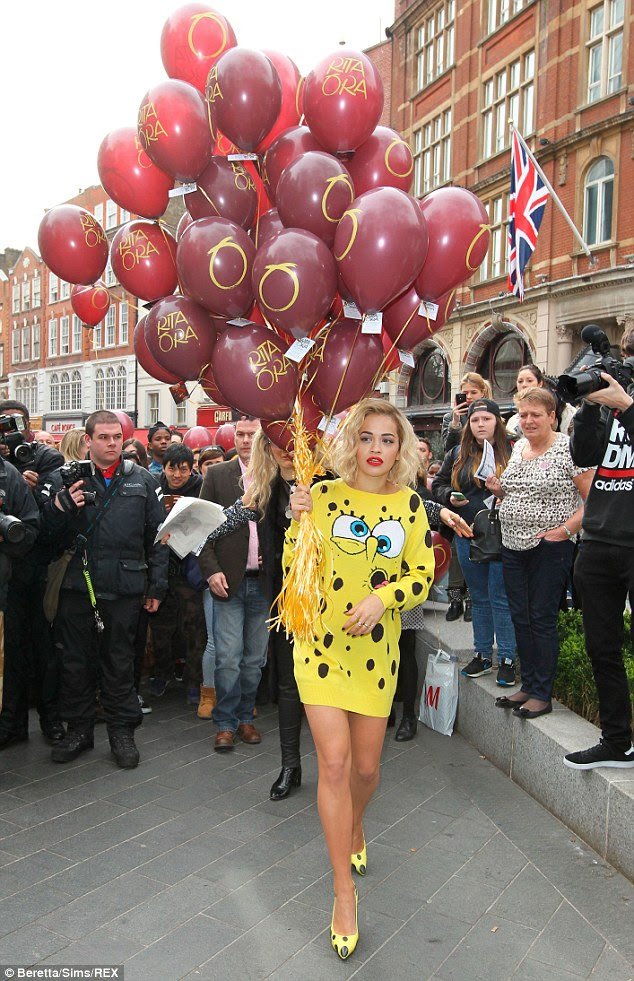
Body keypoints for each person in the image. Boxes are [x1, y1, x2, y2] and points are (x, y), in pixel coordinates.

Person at [288, 399, 434, 960]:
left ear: (401, 449)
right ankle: (343, 891)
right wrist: (296, 524)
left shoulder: (410, 505)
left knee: (366, 769)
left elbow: (422, 574)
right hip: (320, 647)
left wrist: (384, 597)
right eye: (366, 437)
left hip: (376, 652)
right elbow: (292, 570)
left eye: (387, 439)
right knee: (334, 763)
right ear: (352, 442)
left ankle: (354, 826)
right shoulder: (323, 496)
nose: (376, 448)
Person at [39, 410, 168, 768]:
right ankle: (79, 730)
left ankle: (121, 732)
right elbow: (43, 538)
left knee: (120, 663)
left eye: (116, 437)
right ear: (88, 440)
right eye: (103, 437)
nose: (112, 444)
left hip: (125, 588)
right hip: (77, 587)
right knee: (75, 663)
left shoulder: (142, 480)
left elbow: (160, 537)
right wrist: (60, 508)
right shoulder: (65, 479)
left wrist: (157, 585)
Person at [486, 388, 593, 719]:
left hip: (550, 548)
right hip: (512, 545)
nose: (528, 420)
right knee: (520, 616)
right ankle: (528, 685)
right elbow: (518, 491)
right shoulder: (519, 447)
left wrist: (563, 533)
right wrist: (499, 489)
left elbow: (592, 500)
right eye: (523, 415)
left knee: (540, 618)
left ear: (552, 417)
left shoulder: (569, 448)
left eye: (536, 414)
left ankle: (542, 694)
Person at [563, 327, 634, 769]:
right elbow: (583, 454)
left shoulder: (624, 401)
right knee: (601, 647)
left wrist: (627, 407)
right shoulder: (609, 399)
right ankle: (617, 741)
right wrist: (590, 405)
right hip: (598, 538)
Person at [433, 398, 517, 685]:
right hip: (467, 533)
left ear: (497, 422)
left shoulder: (514, 449)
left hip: (504, 534)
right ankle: (482, 655)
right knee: (479, 597)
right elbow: (439, 484)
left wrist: (504, 492)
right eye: (475, 420)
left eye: (486, 419)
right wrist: (449, 497)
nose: (481, 424)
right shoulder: (458, 452)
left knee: (501, 597)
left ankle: (507, 658)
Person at [197, 416, 268, 752]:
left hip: (263, 585)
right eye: (240, 434)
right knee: (227, 658)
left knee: (254, 661)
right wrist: (211, 571)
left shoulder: (274, 474)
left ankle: (245, 718)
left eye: (251, 434)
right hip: (227, 583)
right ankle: (225, 724)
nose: (244, 440)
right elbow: (201, 529)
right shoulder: (217, 475)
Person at [0, 399, 65, 749]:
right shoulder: (5, 468)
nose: (11, 432)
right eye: (4, 425)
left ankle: (51, 719)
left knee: (44, 650)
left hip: (38, 570)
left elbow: (41, 519)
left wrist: (33, 487)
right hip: (8, 578)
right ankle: (11, 723)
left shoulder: (45, 457)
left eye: (16, 424)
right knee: (11, 653)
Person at [149, 443, 206, 709]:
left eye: (183, 469)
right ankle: (162, 673)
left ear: (191, 469)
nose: (177, 475)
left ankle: (194, 681)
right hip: (161, 568)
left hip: (190, 570)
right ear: (163, 467)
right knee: (161, 628)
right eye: (172, 469)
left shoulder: (201, 487)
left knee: (194, 628)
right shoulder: (153, 487)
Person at [506, 364, 576, 439]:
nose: (524, 385)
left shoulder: (567, 412)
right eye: (520, 381)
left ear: (540, 383)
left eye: (529, 381)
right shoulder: (513, 423)